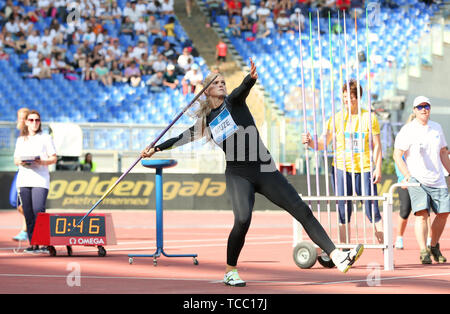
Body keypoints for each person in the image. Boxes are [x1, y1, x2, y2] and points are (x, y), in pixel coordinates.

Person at [141, 59, 364, 287]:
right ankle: (230, 271)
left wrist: (250, 79)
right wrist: (156, 148)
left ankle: (337, 256)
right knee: (243, 219)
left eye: (223, 81)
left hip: (264, 168)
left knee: (301, 209)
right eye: (216, 82)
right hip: (239, 174)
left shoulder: (234, 102)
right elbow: (182, 137)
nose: (222, 84)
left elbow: (242, 89)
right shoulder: (206, 121)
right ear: (206, 90)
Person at [302, 79, 384, 244]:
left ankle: (385, 248)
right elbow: (324, 142)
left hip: (365, 168)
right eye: (346, 96)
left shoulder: (369, 117)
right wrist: (311, 143)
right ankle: (345, 250)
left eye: (352, 97)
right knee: (343, 210)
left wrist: (378, 168)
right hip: (341, 168)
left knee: (372, 210)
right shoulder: (336, 119)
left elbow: (377, 146)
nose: (349, 100)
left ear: (358, 97)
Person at [393, 96, 450, 264]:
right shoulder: (408, 130)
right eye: (420, 107)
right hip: (417, 179)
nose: (424, 109)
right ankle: (423, 251)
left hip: (438, 178)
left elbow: (443, 153)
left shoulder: (437, 128)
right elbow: (397, 155)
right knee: (422, 214)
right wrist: (407, 175)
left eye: (426, 106)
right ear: (414, 110)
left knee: (444, 213)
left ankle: (433, 245)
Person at [13, 110, 57, 253]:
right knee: (28, 212)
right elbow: (15, 160)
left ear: (40, 122)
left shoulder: (45, 138)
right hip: (24, 180)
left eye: (37, 120)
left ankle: (44, 243)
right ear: (26, 122)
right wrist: (23, 162)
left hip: (40, 179)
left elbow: (54, 158)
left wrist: (41, 161)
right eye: (31, 120)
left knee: (39, 211)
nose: (34, 123)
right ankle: (33, 243)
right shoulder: (21, 140)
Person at [394, 114, 431, 250]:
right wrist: (403, 177)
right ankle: (399, 238)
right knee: (405, 210)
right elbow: (397, 160)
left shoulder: (424, 138)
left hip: (422, 180)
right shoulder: (404, 137)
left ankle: (429, 240)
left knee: (425, 211)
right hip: (405, 181)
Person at [11, 108, 30, 242]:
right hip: (20, 170)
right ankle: (28, 227)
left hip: (29, 172)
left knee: (21, 202)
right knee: (15, 201)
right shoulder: (20, 134)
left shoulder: (31, 135)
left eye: (22, 118)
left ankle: (26, 229)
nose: (20, 120)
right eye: (19, 117)